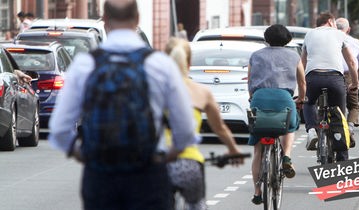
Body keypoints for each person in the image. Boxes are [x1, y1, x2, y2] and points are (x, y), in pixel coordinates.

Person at [48, 1, 197, 209]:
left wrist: (83, 154)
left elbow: (59, 128)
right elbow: (186, 129)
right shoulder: (160, 65)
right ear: (137, 19)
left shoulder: (85, 65)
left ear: (105, 20)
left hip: (100, 176)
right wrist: (168, 154)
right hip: (148, 174)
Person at [164, 37, 244, 209]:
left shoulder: (153, 88)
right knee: (196, 205)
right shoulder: (201, 91)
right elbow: (220, 128)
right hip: (189, 164)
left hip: (159, 163)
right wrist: (233, 150)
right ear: (189, 62)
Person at [248, 24, 306, 205]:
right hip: (284, 99)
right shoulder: (294, 56)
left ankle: (257, 192)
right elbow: (302, 82)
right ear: (287, 39)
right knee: (290, 126)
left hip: (259, 98)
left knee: (258, 148)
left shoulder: (256, 55)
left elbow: (250, 82)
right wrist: (301, 100)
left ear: (267, 38)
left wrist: (253, 98)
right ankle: (287, 156)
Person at [302, 12, 358, 161]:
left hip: (313, 77)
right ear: (330, 21)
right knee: (340, 116)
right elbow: (351, 62)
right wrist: (355, 83)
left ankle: (312, 130)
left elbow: (303, 63)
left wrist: (301, 86)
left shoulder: (309, 34)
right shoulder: (340, 35)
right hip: (335, 78)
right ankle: (342, 159)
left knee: (307, 103)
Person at [336, 17, 359, 147]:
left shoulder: (330, 40)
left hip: (330, 74)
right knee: (353, 105)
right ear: (348, 29)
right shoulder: (354, 42)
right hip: (348, 75)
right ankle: (349, 128)